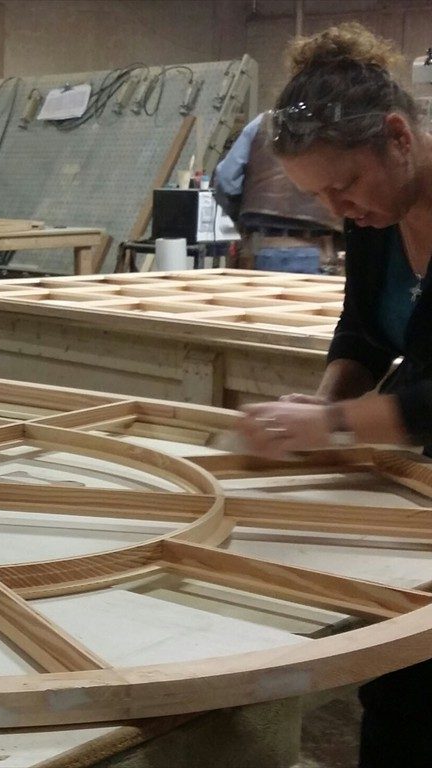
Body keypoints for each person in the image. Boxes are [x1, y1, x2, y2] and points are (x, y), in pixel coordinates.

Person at [233, 22, 432, 768]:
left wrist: (332, 428)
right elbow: (366, 333)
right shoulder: (380, 217)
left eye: (344, 186)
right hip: (419, 485)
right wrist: (320, 408)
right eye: (324, 197)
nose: (340, 209)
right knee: (401, 687)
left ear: (397, 137)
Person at [214, 110, 341, 273]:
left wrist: (240, 215)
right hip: (317, 249)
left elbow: (226, 178)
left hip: (265, 247)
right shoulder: (337, 125)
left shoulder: (262, 123)